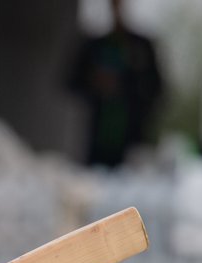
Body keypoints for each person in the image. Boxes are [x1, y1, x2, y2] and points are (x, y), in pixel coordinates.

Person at [64, 0, 165, 168]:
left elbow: (158, 89)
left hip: (133, 142)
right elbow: (71, 81)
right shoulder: (93, 46)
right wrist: (95, 83)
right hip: (98, 141)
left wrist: (127, 87)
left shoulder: (141, 46)